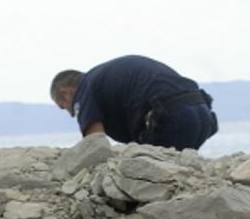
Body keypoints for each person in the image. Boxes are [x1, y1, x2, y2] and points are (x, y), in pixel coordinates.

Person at [50, 56, 218, 151]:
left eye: (63, 106)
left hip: (170, 118)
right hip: (202, 113)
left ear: (66, 93)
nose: (71, 114)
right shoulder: (102, 79)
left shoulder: (84, 89)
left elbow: (96, 142)